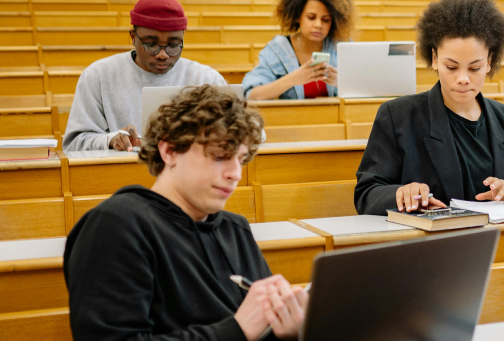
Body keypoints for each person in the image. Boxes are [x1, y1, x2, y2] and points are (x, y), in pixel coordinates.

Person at [64, 85, 307, 341]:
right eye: (219, 155)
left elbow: (261, 325)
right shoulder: (116, 226)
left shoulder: (235, 229)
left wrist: (288, 331)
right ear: (169, 151)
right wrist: (236, 330)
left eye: (241, 158)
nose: (235, 173)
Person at [354, 0, 504, 215]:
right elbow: (366, 194)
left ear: (489, 62)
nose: (463, 78)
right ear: (434, 59)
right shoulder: (398, 116)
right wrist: (401, 193)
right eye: (451, 67)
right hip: (428, 245)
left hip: (496, 241)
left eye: (474, 67)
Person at [62, 0, 227, 152]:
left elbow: (235, 137)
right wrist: (110, 140)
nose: (162, 54)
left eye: (173, 45)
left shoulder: (207, 80)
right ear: (133, 37)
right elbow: (73, 144)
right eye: (151, 44)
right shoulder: (98, 76)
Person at [242, 0, 354, 100]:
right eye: (311, 17)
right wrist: (293, 79)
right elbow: (252, 95)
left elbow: (367, 91)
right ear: (297, 16)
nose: (318, 25)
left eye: (325, 20)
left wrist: (343, 83)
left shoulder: (343, 45)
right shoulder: (278, 49)